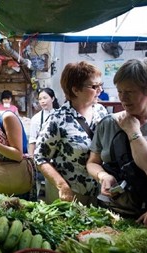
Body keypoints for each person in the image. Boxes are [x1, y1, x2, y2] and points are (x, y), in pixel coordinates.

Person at [87, 57, 147, 218]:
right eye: (120, 91)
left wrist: (133, 131)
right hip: (110, 212)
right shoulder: (108, 123)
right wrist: (103, 176)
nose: (123, 98)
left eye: (129, 92)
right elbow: (93, 162)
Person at [34, 61, 108, 206]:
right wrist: (62, 185)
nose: (100, 90)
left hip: (98, 190)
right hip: (69, 193)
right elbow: (39, 157)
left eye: (101, 85)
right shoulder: (58, 119)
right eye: (94, 86)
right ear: (76, 90)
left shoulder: (101, 111)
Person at [28, 88, 60, 155]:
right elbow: (32, 140)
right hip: (42, 155)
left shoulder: (60, 115)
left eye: (45, 98)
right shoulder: (35, 118)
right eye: (40, 99)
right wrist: (31, 157)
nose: (42, 101)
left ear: (52, 99)